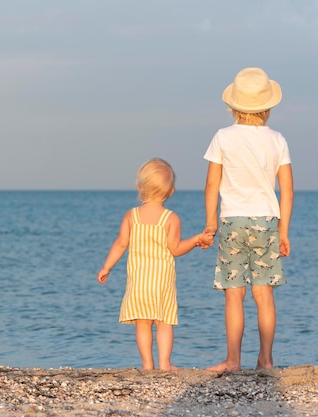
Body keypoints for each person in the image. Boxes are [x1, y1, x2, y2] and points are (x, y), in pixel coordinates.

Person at [203, 67, 294, 372]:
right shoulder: (278, 140)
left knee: (234, 295)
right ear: (267, 106)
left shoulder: (223, 137)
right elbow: (288, 190)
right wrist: (284, 231)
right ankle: (266, 360)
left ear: (234, 106)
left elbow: (212, 185)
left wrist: (210, 223)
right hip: (266, 221)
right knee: (263, 293)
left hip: (232, 220)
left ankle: (232, 361)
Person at [97, 158, 214, 371]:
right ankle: (165, 363)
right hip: (161, 280)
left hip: (139, 281)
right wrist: (197, 240)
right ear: (170, 192)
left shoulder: (131, 216)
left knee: (142, 323)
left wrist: (107, 267)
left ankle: (147, 364)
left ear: (139, 187)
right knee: (164, 322)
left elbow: (121, 243)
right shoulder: (170, 218)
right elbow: (176, 249)